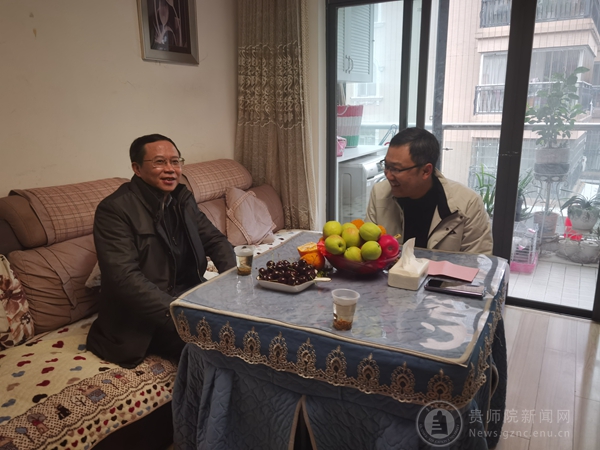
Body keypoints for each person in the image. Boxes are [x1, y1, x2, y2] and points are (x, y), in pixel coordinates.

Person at [87, 134, 236, 368]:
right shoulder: (114, 210)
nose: (170, 169)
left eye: (175, 161)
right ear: (137, 168)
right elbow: (124, 278)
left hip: (189, 296)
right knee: (218, 345)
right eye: (159, 162)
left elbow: (215, 240)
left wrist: (234, 282)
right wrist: (180, 314)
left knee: (251, 325)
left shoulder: (182, 199)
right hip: (144, 318)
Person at [366, 127, 493, 254]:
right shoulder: (380, 194)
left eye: (396, 169)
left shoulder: (468, 204)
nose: (388, 176)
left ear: (426, 171)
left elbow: (478, 261)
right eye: (386, 166)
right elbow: (367, 249)